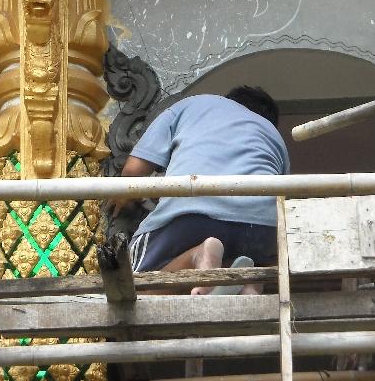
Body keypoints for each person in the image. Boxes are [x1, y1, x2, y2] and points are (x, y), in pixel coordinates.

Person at [113, 86, 290, 295]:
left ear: (228, 101)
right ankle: (250, 285)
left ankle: (198, 255)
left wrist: (122, 199)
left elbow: (133, 171)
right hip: (264, 227)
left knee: (138, 287)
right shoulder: (275, 137)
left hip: (196, 213)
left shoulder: (193, 104)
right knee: (254, 256)